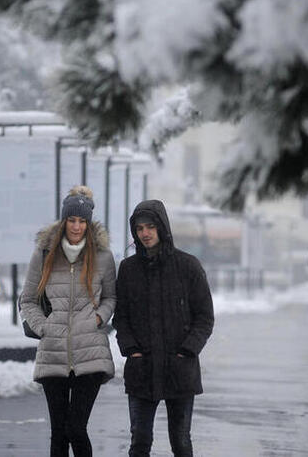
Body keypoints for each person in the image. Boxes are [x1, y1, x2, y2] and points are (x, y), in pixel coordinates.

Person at [19, 185, 116, 457]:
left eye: (82, 221)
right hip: (53, 352)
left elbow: (111, 298)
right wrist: (43, 327)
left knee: (76, 428)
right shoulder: (44, 254)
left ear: (89, 223)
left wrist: (99, 317)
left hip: (91, 351)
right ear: (63, 221)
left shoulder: (103, 257)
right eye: (71, 220)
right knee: (58, 433)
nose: (76, 226)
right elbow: (27, 300)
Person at [113, 199, 214, 457]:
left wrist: (187, 351)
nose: (145, 233)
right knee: (140, 442)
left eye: (150, 227)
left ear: (162, 228)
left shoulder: (188, 266)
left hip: (179, 369)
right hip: (141, 369)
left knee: (180, 442)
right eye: (139, 229)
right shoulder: (128, 269)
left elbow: (204, 317)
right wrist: (131, 350)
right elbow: (121, 317)